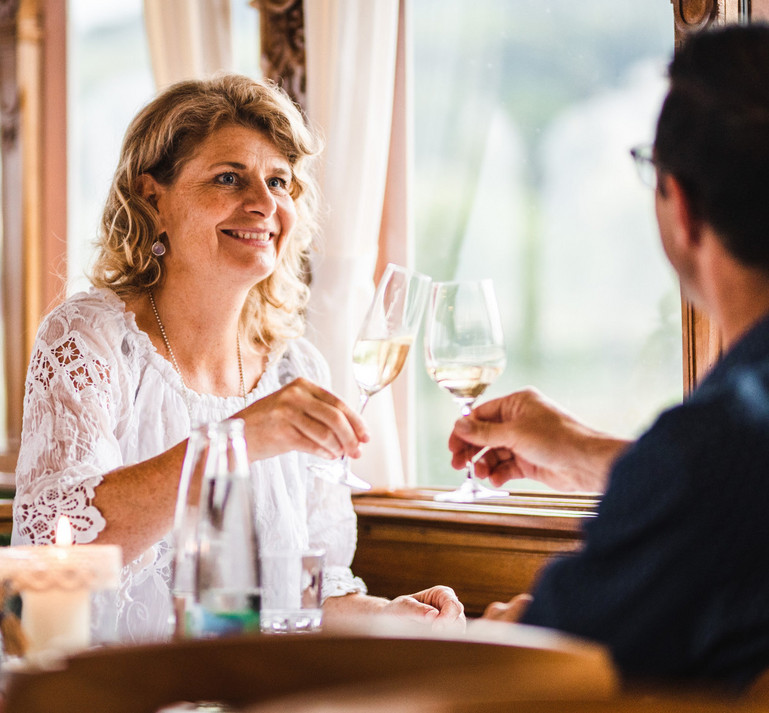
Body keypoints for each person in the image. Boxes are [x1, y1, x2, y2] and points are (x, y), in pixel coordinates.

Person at [12, 74, 463, 642]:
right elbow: (56, 550)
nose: (264, 204)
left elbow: (308, 600)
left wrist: (394, 616)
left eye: (279, 181)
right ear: (153, 197)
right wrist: (239, 439)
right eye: (229, 178)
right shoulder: (89, 339)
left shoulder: (297, 368)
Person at [449, 24, 769, 692]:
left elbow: (529, 679)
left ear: (680, 207)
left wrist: (500, 631)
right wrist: (586, 451)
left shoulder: (706, 451)